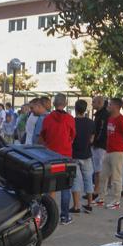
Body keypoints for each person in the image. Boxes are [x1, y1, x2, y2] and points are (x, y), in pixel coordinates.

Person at [40, 93, 76, 224]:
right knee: (66, 186)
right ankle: (64, 216)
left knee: (51, 187)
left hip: (51, 156)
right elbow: (72, 136)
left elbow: (43, 136)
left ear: (54, 104)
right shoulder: (70, 119)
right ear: (65, 104)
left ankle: (50, 215)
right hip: (66, 156)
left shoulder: (48, 119)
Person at [95, 98, 123, 209]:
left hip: (118, 151)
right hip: (109, 151)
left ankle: (116, 201)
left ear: (115, 106)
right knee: (103, 176)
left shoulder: (122, 120)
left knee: (116, 177)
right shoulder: (110, 118)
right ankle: (101, 199)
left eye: (110, 104)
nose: (108, 106)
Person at [70, 99, 95, 214]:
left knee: (74, 180)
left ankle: (76, 206)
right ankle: (89, 205)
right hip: (87, 154)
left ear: (75, 109)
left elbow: (69, 138)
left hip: (74, 154)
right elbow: (92, 139)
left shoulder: (72, 121)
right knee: (88, 179)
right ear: (86, 109)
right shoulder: (91, 122)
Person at [91, 95, 109, 199]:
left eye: (93, 102)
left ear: (99, 103)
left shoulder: (103, 115)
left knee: (99, 170)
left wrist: (95, 141)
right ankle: (96, 190)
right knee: (97, 169)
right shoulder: (99, 114)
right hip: (98, 145)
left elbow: (101, 130)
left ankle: (99, 191)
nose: (92, 104)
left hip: (100, 145)